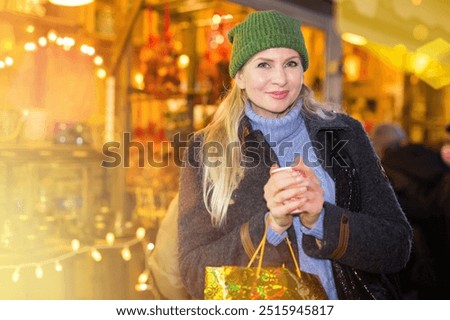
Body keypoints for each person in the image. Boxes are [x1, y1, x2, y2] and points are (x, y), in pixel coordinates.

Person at [178, 10, 412, 300]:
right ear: (239, 76)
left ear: (302, 70)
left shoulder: (344, 133)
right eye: (263, 64)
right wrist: (269, 226)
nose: (280, 79)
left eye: (291, 63)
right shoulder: (205, 150)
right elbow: (192, 274)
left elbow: (397, 246)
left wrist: (322, 218)